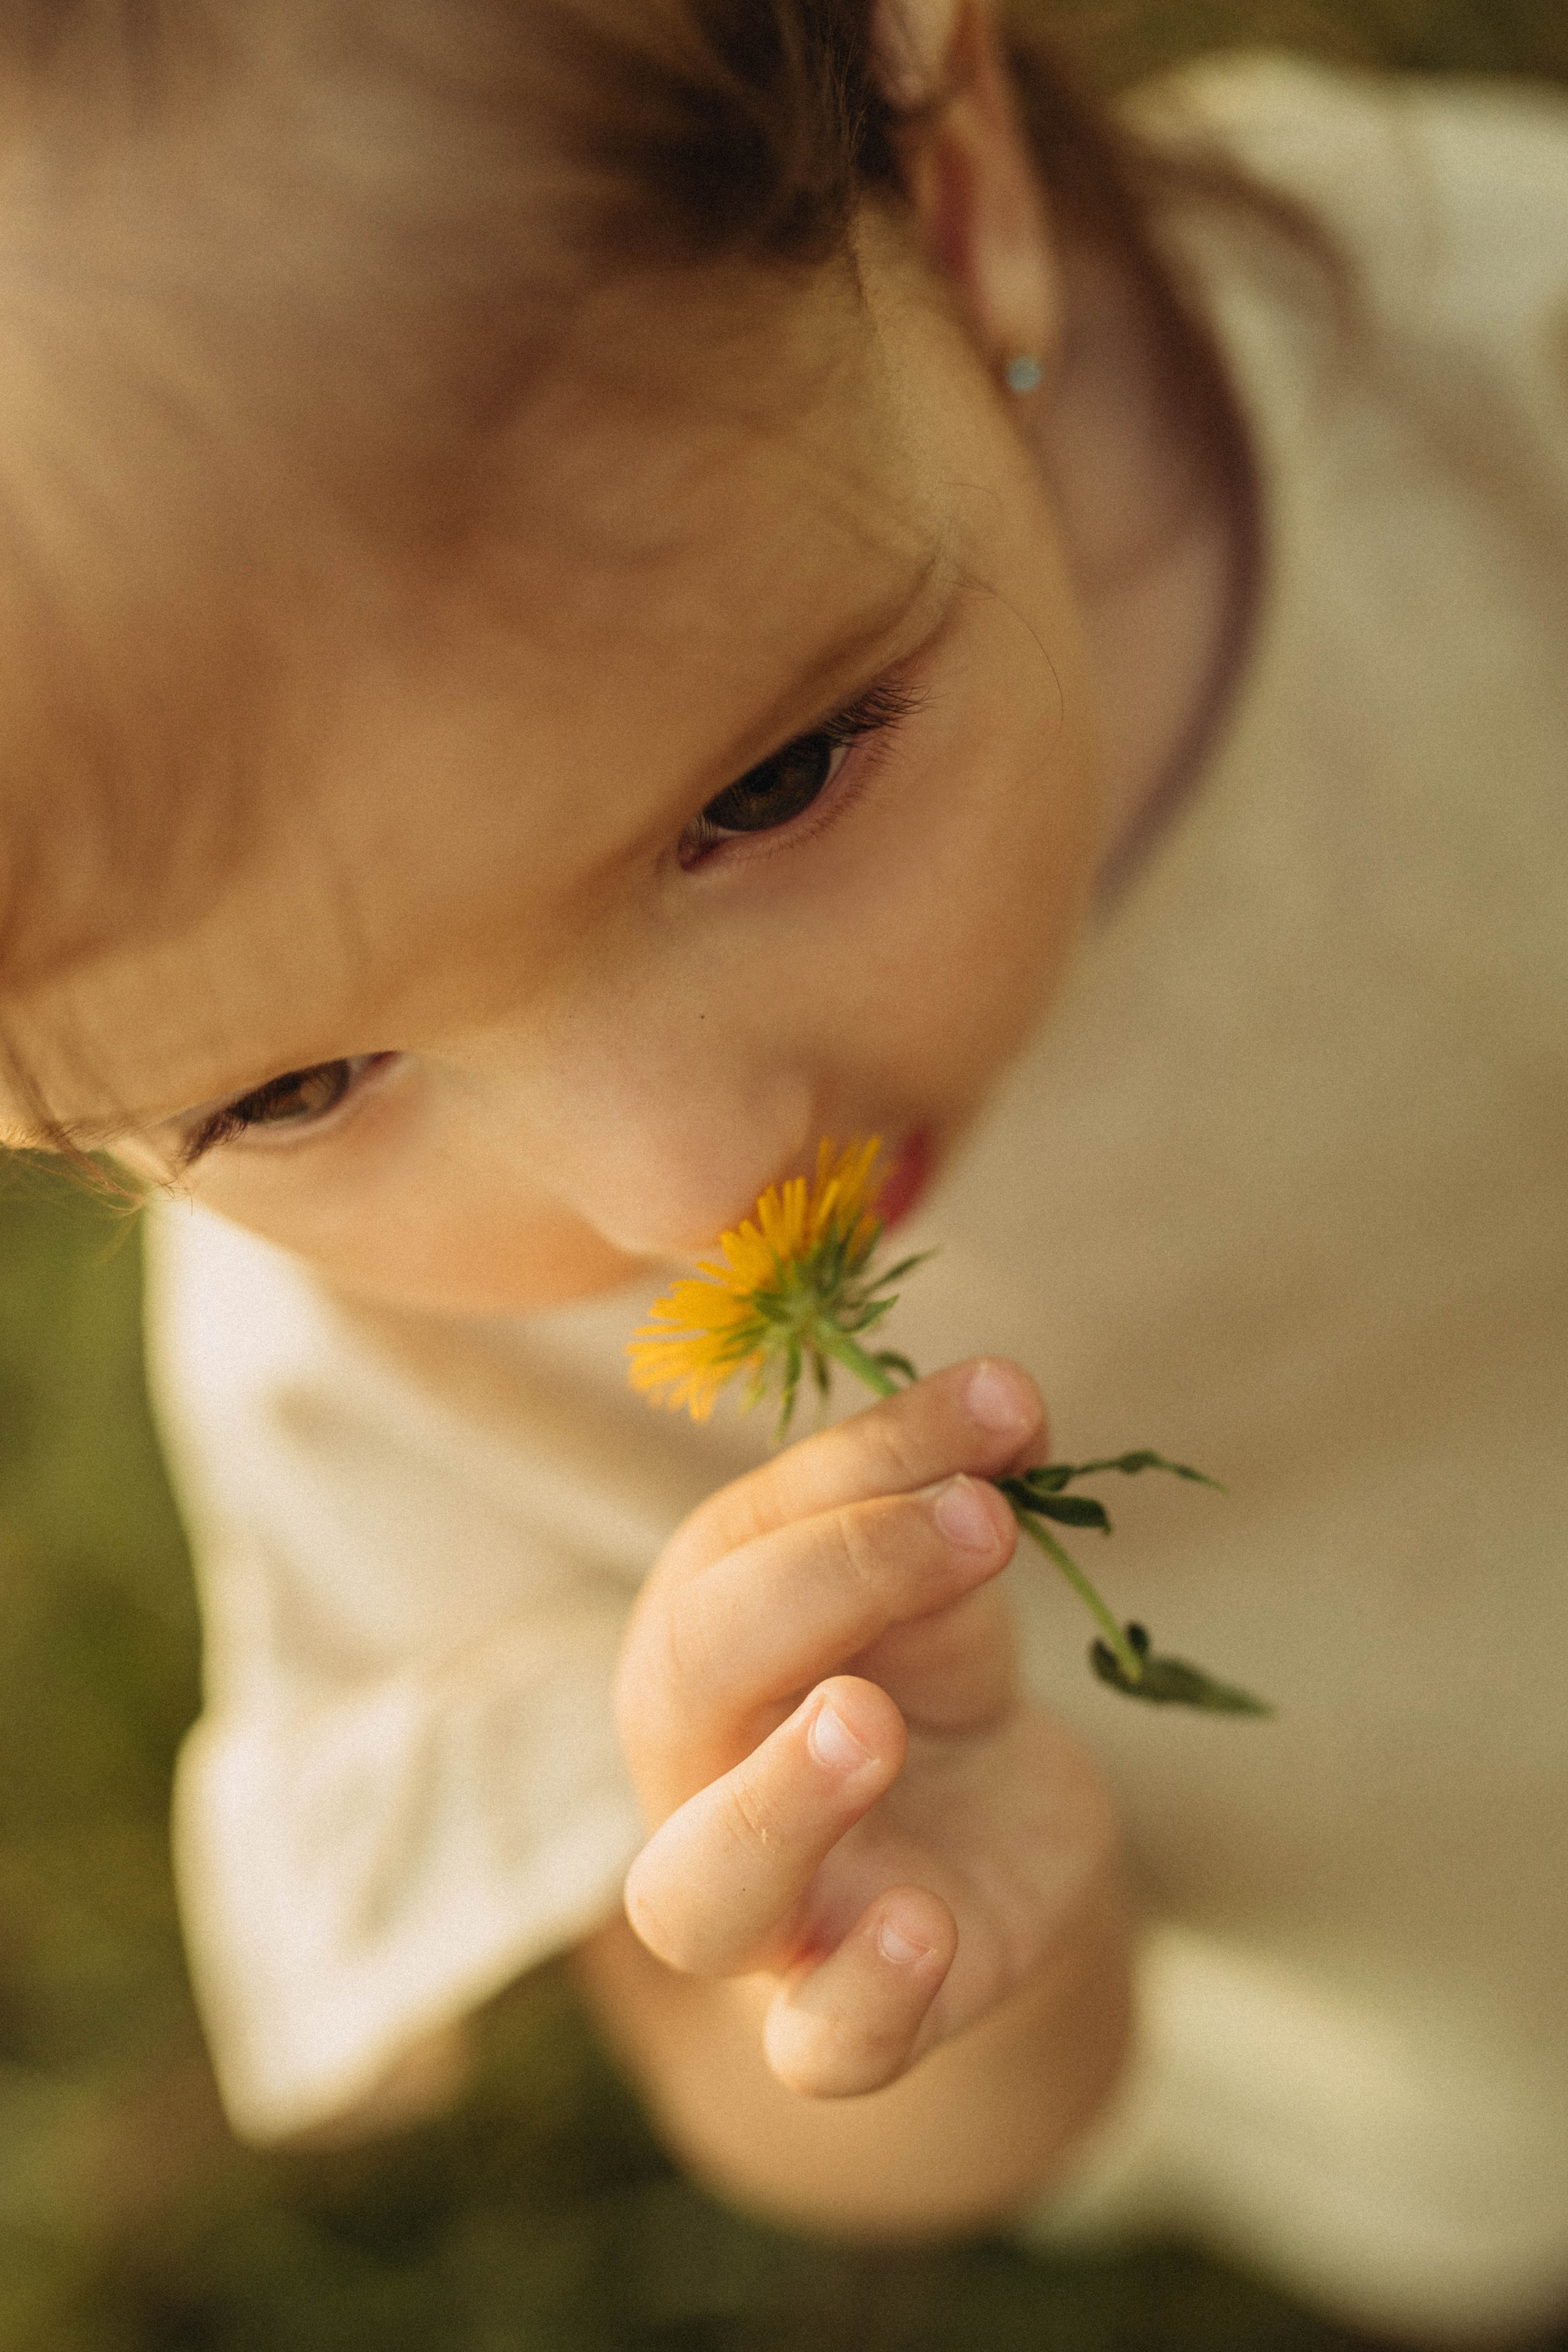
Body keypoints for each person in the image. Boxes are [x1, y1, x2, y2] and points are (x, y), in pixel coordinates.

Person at [0, 0, 1564, 2339]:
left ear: (952, 200)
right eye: (288, 1095)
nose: (688, 1181)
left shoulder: (1479, 378)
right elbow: (848, 2111)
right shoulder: (377, 1414)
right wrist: (909, 1937)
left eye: (776, 782)